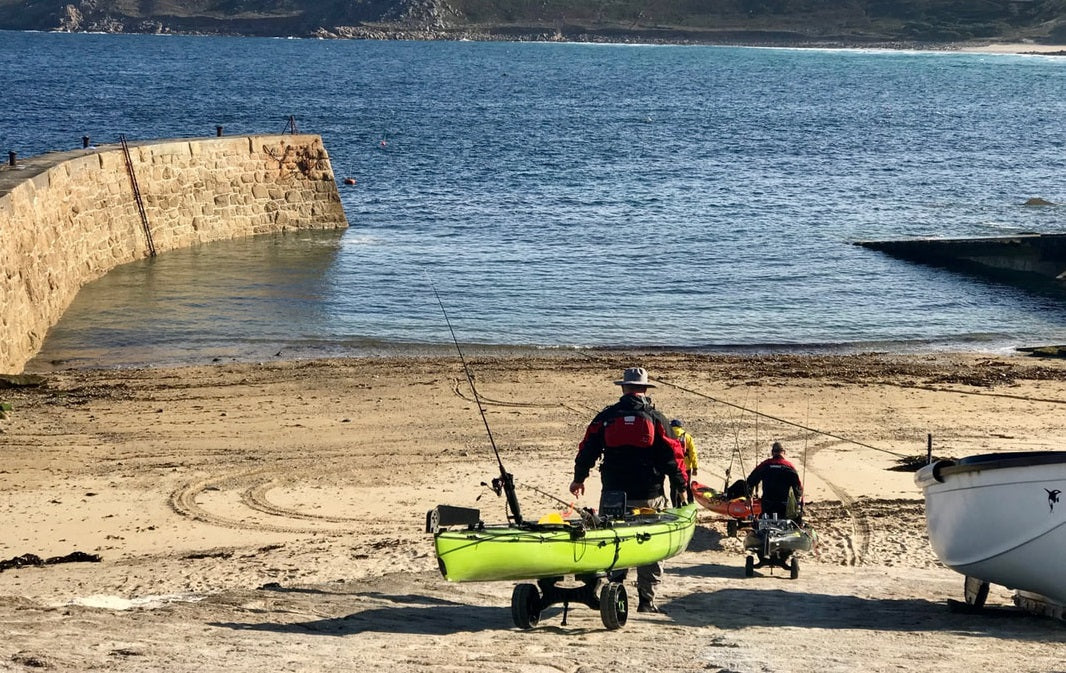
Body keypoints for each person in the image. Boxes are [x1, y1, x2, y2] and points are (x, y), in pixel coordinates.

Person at [569, 366, 688, 614]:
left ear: (623, 388)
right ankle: (646, 601)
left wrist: (579, 479)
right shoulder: (656, 418)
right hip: (649, 494)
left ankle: (615, 589)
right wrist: (681, 486)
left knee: (613, 540)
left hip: (613, 492)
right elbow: (673, 457)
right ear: (644, 389)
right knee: (650, 545)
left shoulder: (606, 417)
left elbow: (587, 449)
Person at [746, 441, 802, 520]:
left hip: (767, 503)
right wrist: (797, 501)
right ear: (783, 452)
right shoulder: (789, 467)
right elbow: (798, 487)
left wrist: (749, 497)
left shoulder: (765, 465)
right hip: (784, 504)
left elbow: (750, 481)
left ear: (772, 453)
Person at [669, 419, 699, 507]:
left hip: (672, 465)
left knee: (673, 487)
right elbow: (693, 453)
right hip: (686, 466)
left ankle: (675, 505)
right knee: (686, 485)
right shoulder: (687, 436)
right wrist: (695, 467)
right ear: (680, 426)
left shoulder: (668, 435)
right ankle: (690, 503)